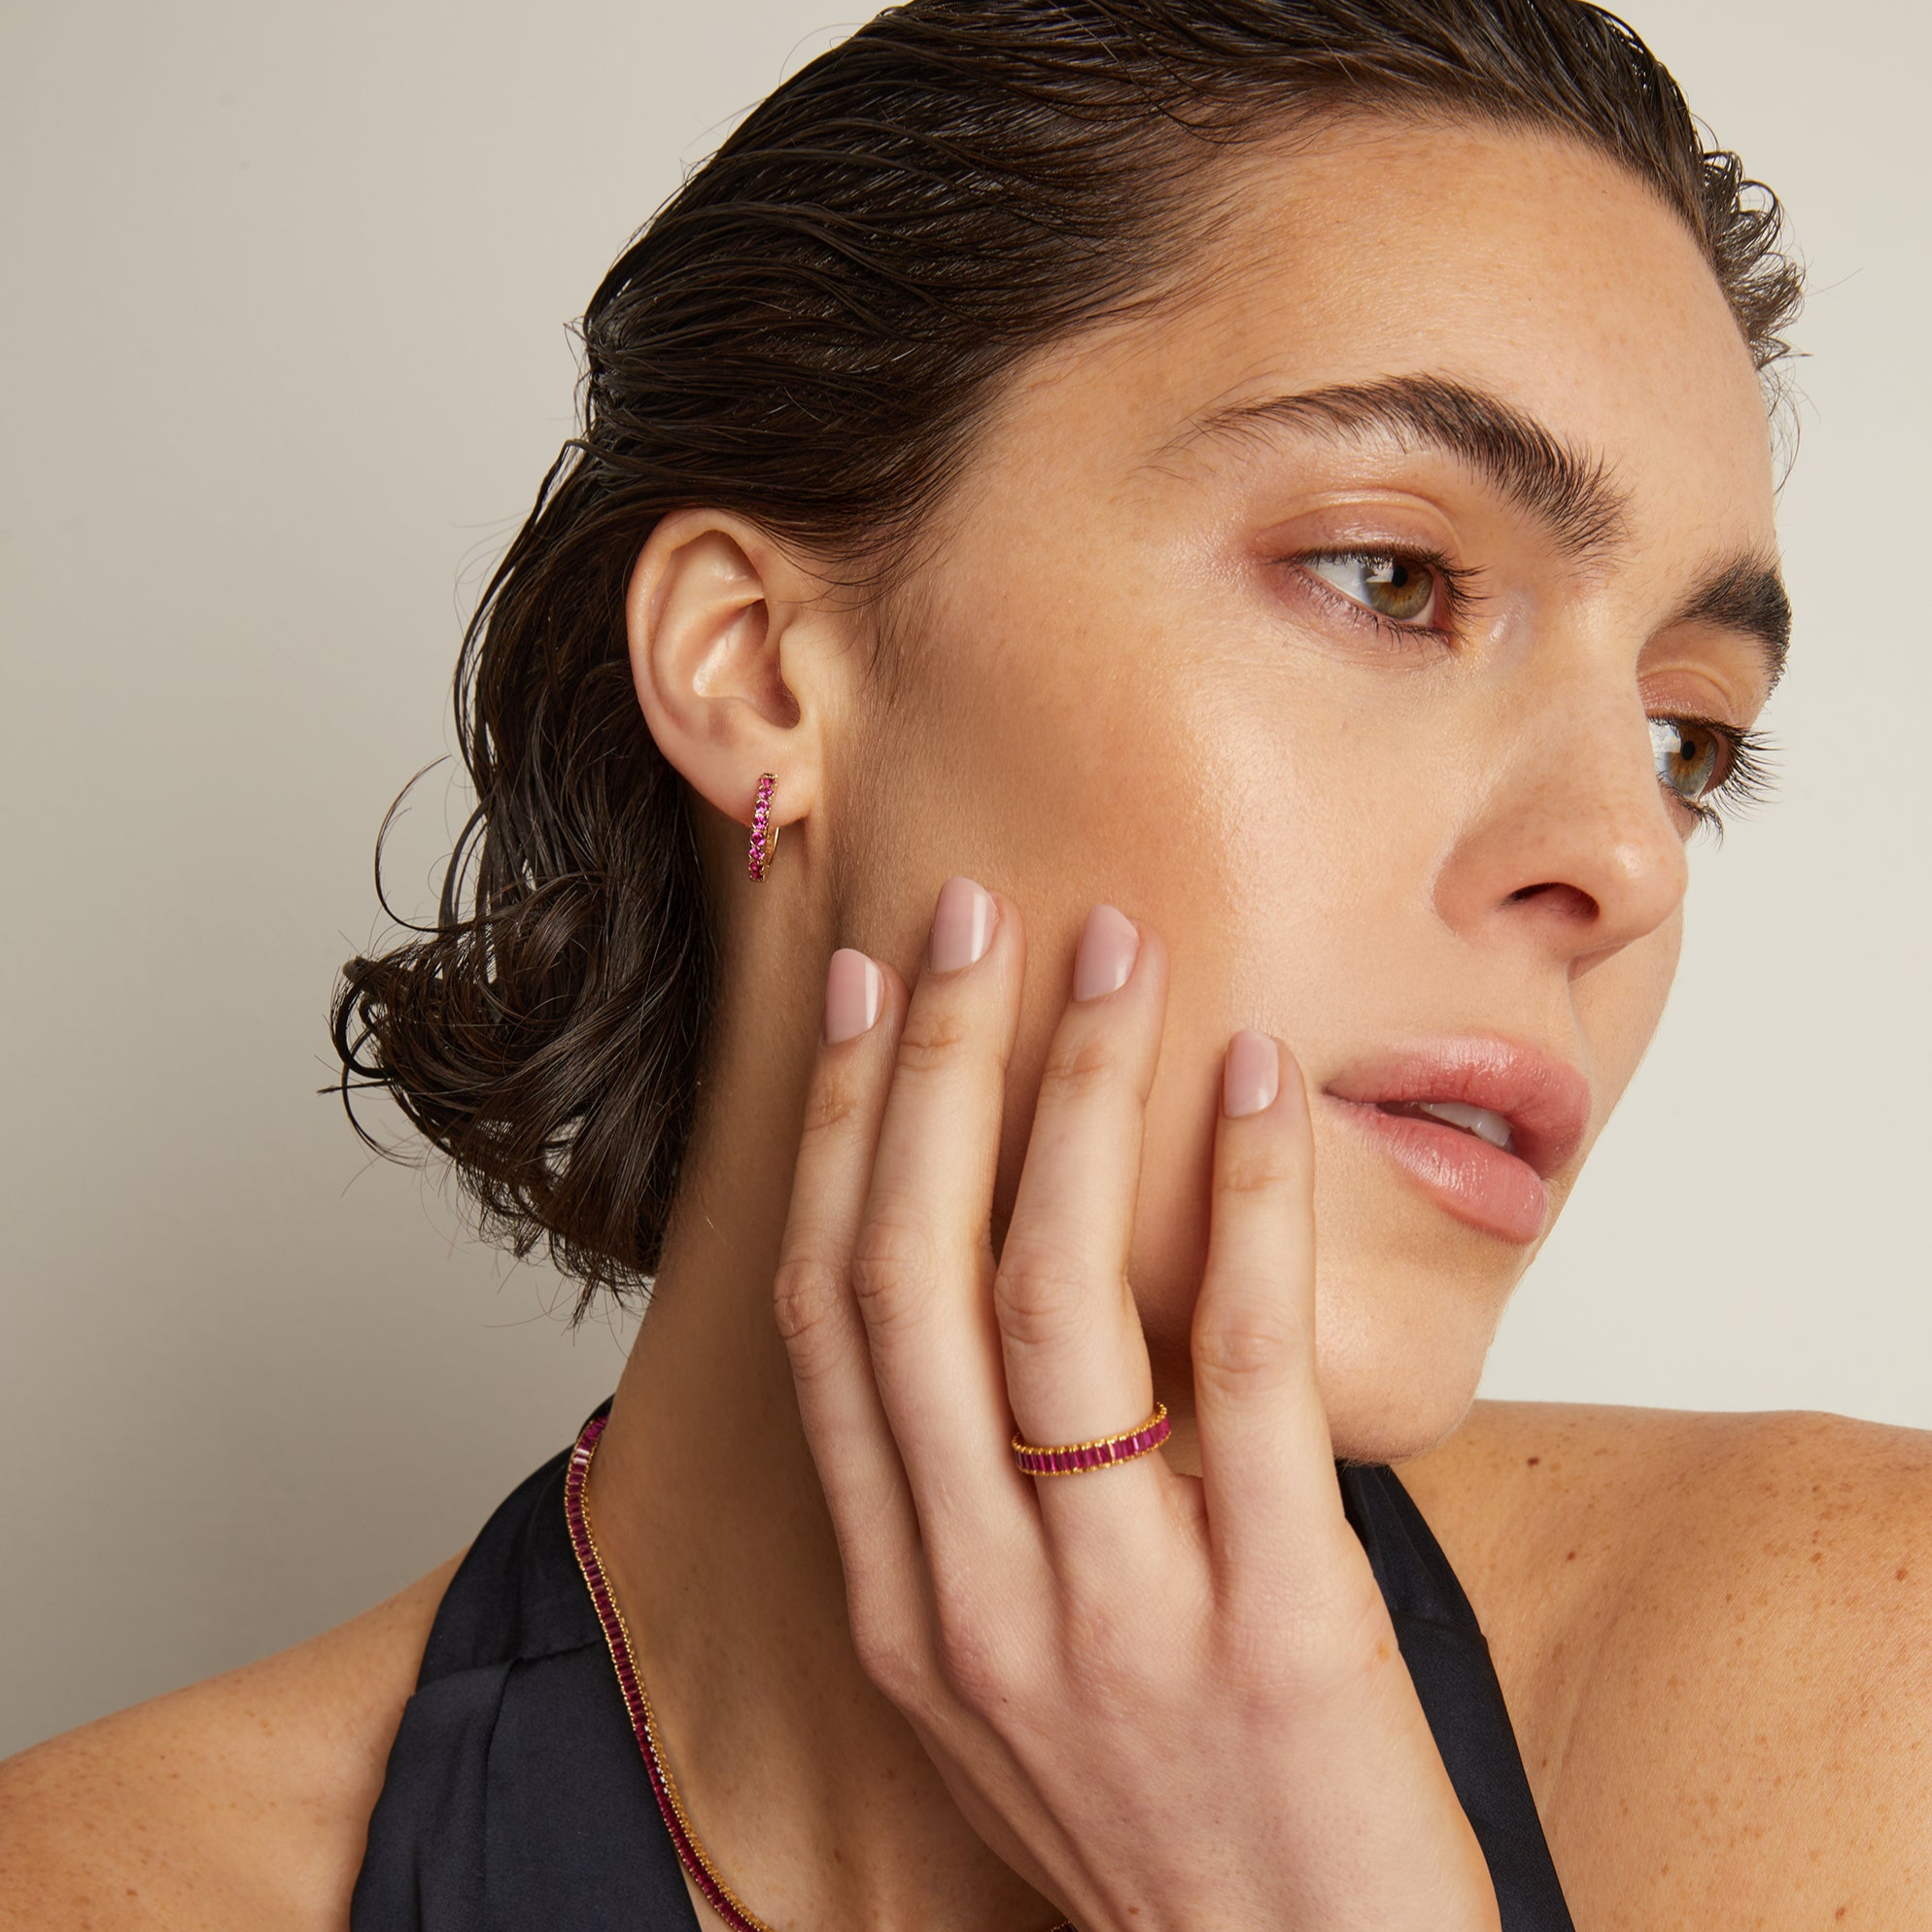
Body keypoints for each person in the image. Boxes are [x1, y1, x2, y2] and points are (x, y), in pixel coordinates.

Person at [2, 0, 1926, 1925]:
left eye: (1688, 737)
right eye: (1388, 577)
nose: (1620, 855)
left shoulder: (1851, 1691)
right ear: (758, 672)